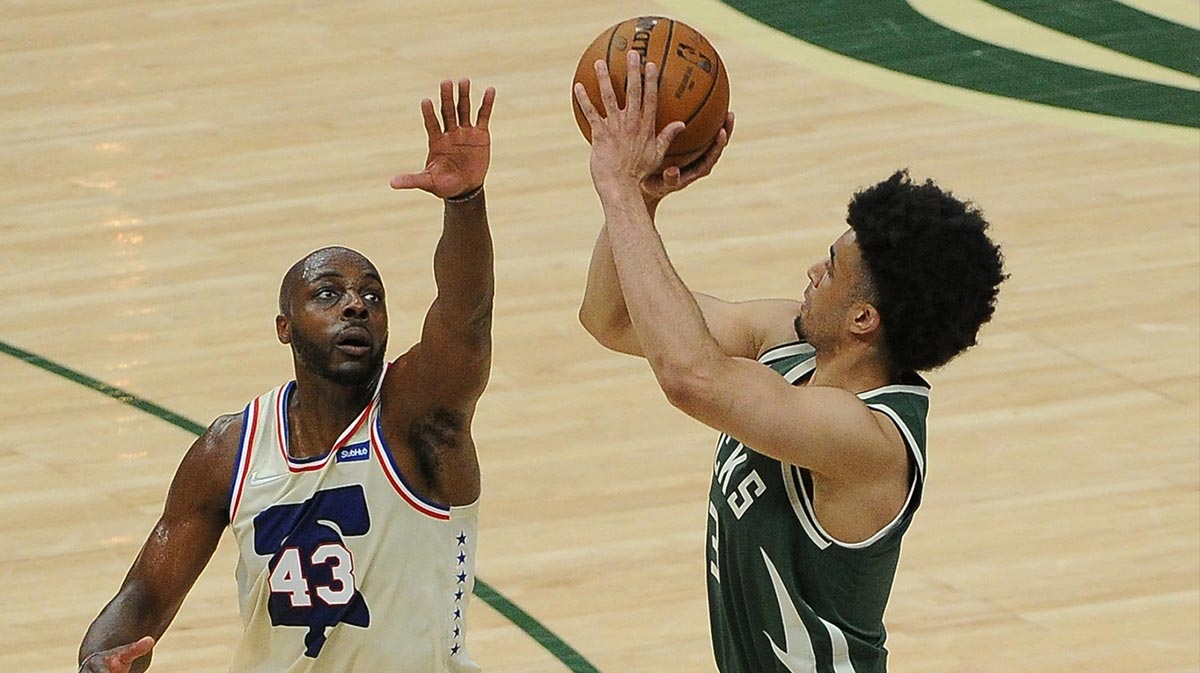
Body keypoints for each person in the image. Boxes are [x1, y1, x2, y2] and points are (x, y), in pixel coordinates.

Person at [574, 52, 1006, 673]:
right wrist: (641, 201)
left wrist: (615, 188)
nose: (812, 272)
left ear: (864, 320)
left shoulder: (868, 441)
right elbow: (612, 317)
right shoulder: (789, 339)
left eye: (831, 268)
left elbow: (691, 378)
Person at [78, 77, 496, 673]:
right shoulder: (230, 450)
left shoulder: (419, 419)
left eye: (371, 297)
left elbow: (466, 319)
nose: (356, 305)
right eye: (329, 293)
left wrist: (464, 203)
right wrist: (100, 657)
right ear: (284, 327)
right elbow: (144, 595)